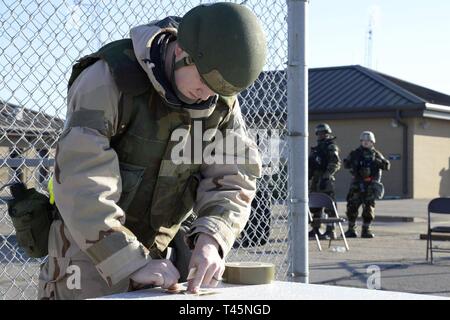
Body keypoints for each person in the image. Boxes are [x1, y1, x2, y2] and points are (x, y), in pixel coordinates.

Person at [38, 2, 267, 299]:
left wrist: (212, 237)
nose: (209, 95)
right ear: (182, 52)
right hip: (89, 257)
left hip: (165, 262)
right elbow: (82, 181)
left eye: (219, 90)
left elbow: (235, 175)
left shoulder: (219, 100)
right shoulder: (108, 79)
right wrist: (130, 262)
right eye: (205, 81)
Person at [343, 131, 390, 238]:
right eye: (364, 141)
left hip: (370, 184)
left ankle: (366, 229)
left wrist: (378, 162)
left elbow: (386, 166)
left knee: (368, 208)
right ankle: (351, 229)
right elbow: (346, 164)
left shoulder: (376, 154)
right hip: (356, 184)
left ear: (372, 142)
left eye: (368, 141)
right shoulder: (355, 153)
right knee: (352, 207)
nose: (365, 143)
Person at [308, 123, 341, 240]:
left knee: (329, 206)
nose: (322, 135)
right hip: (315, 180)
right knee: (315, 206)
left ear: (328, 133)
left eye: (324, 133)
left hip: (326, 179)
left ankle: (330, 230)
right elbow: (310, 165)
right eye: (320, 133)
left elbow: (335, 163)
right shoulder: (316, 149)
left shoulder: (331, 147)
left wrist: (326, 176)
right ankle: (316, 229)